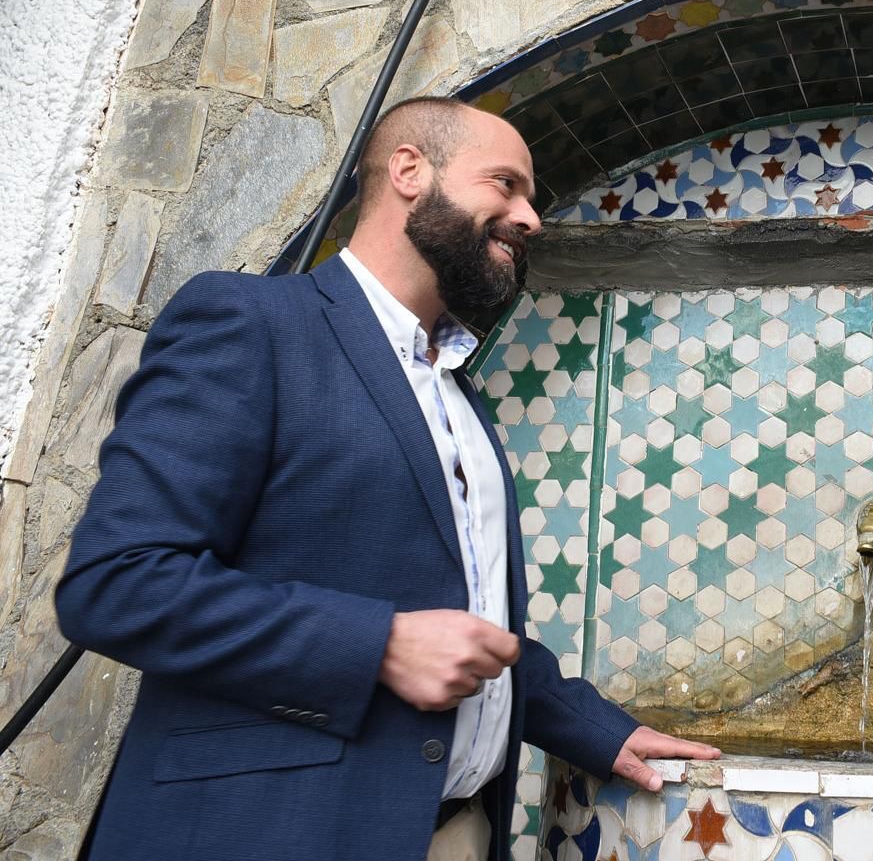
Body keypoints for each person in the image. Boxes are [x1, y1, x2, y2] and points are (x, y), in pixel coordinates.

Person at [56, 97, 718, 861]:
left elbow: (464, 626)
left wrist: (598, 729)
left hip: (458, 834)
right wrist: (378, 644)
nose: (530, 217)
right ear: (409, 170)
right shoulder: (248, 321)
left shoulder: (456, 387)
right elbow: (116, 581)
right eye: (505, 184)